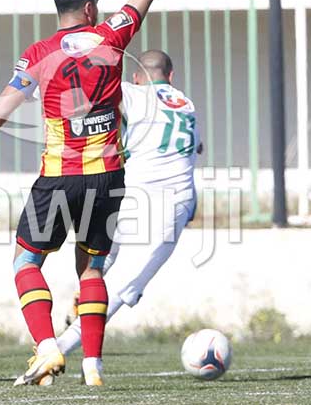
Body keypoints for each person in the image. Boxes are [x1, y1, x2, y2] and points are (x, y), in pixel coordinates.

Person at [0, 0, 192, 387]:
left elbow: (1, 106)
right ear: (89, 9)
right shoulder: (112, 35)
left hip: (59, 176)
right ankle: (93, 366)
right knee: (94, 266)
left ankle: (45, 348)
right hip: (107, 176)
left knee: (26, 262)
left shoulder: (39, 55)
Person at [55, 50, 201, 355]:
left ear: (137, 78)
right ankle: (62, 346)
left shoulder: (132, 92)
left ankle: (73, 316)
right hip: (173, 201)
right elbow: (196, 145)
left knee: (103, 257)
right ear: (171, 76)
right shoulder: (186, 104)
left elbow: (100, 94)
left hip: (131, 193)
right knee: (125, 284)